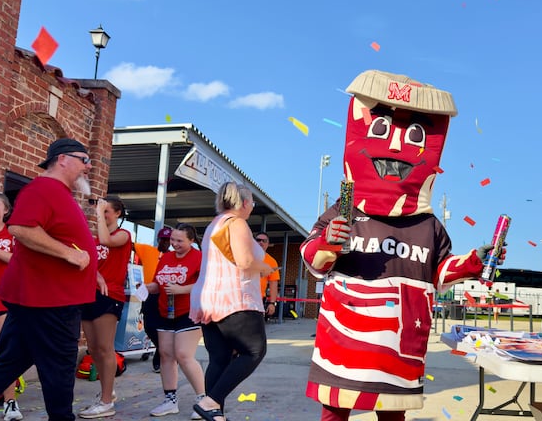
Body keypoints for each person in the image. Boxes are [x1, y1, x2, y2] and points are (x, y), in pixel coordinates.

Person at [300, 70, 504, 421]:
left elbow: (439, 273)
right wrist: (327, 242)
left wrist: (474, 260)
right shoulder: (344, 209)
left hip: (397, 351)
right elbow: (312, 259)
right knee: (335, 410)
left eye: (413, 135)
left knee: (392, 415)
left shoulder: (428, 225)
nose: (395, 146)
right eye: (381, 129)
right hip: (342, 343)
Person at [0, 138, 97, 421]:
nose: (88, 167)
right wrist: (70, 256)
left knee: (9, 364)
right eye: (84, 160)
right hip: (51, 301)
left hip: (42, 298)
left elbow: (64, 238)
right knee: (59, 371)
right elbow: (22, 229)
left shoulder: (59, 193)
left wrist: (91, 270)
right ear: (62, 159)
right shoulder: (44, 188)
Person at [190, 182, 274, 421]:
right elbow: (245, 261)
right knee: (254, 351)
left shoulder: (214, 224)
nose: (252, 208)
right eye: (252, 204)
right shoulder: (237, 223)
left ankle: (213, 411)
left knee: (220, 358)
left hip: (208, 300)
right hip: (235, 299)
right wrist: (265, 267)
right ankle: (210, 402)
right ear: (245, 203)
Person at [78, 197, 132, 419]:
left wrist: (99, 213)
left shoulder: (123, 235)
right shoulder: (94, 239)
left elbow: (106, 240)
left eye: (108, 211)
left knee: (105, 346)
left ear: (117, 213)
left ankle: (106, 401)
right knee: (94, 349)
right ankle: (106, 393)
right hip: (89, 294)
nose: (103, 214)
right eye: (102, 211)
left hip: (110, 295)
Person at [146, 223, 205, 419]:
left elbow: (206, 283)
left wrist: (182, 289)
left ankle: (204, 400)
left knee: (183, 354)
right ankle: (170, 400)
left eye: (180, 241)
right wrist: (147, 286)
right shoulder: (166, 257)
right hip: (165, 311)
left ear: (191, 240)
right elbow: (158, 283)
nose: (175, 244)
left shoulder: (199, 257)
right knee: (165, 355)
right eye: (173, 240)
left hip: (189, 312)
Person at [0, 193, 22, 421]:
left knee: (2, 353)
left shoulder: (12, 233)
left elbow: (20, 261)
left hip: (0, 300)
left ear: (6, 210)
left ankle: (10, 403)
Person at [135, 227, 172, 372]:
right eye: (163, 239)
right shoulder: (147, 250)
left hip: (168, 295)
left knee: (165, 326)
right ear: (158, 239)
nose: (165, 242)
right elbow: (128, 244)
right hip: (150, 293)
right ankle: (162, 349)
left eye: (168, 240)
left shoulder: (174, 256)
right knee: (149, 327)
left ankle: (161, 358)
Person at [255, 231, 279, 319]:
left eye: (264, 241)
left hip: (258, 300)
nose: (261, 242)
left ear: (268, 244)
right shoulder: (245, 256)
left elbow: (273, 283)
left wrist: (272, 303)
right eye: (258, 240)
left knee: (256, 329)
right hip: (241, 298)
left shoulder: (271, 262)